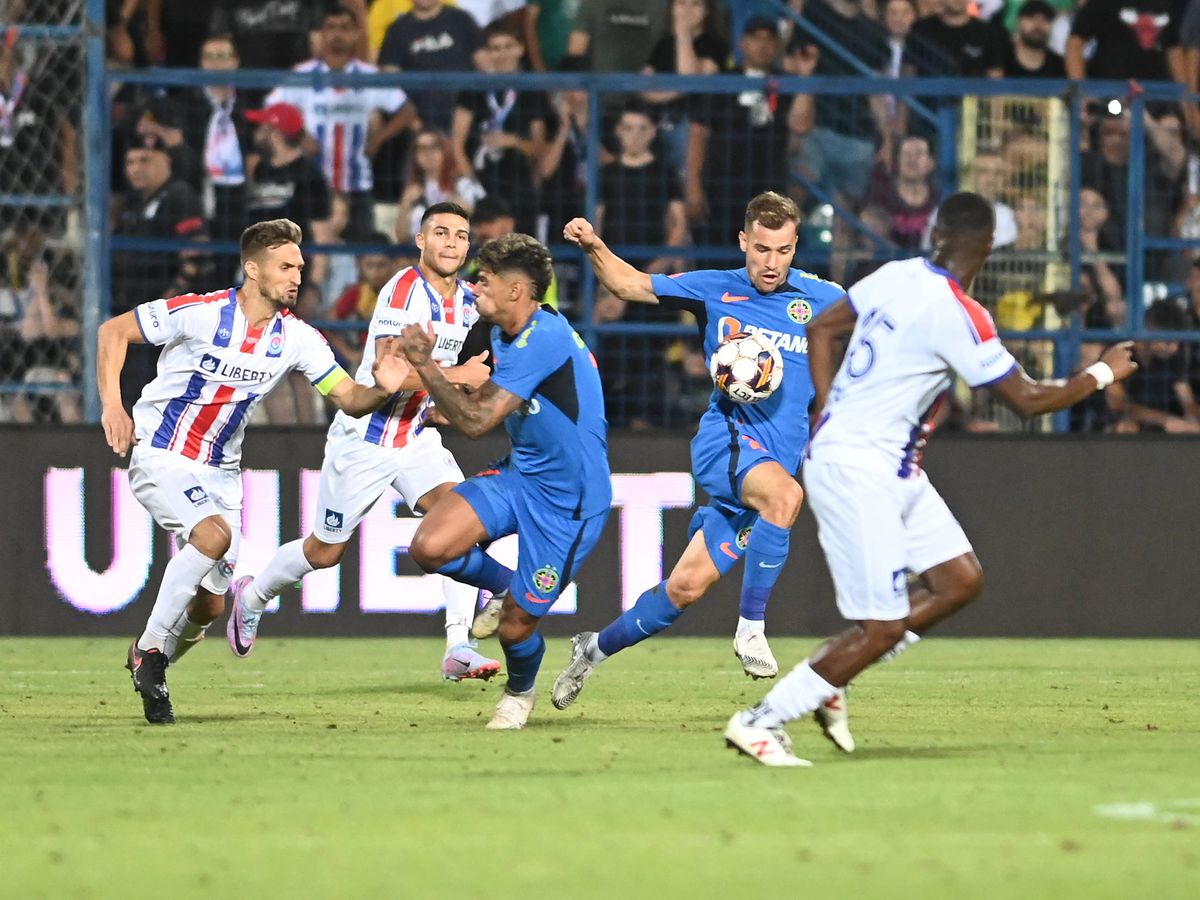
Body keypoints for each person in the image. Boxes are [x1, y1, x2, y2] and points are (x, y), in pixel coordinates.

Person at [723, 192, 1138, 765]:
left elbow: (822, 328)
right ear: (989, 246)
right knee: (882, 627)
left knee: (958, 581)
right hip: (859, 467)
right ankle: (760, 721)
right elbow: (1028, 401)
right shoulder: (960, 314)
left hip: (892, 466)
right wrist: (1102, 372)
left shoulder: (898, 274)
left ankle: (836, 671)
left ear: (937, 233)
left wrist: (826, 405)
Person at [97, 218, 410, 724]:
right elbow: (113, 331)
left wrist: (383, 389)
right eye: (285, 267)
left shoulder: (298, 338)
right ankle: (149, 650)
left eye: (300, 268)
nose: (297, 277)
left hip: (222, 474)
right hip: (162, 450)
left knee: (209, 608)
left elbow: (350, 399)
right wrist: (113, 406)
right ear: (253, 269)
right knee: (213, 537)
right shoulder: (201, 313)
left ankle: (153, 667)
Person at [552, 192, 846, 714]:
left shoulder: (822, 299)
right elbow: (628, 284)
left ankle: (591, 651)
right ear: (743, 241)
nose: (771, 262)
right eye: (761, 249)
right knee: (786, 498)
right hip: (727, 443)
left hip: (772, 465)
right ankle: (751, 628)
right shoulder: (714, 289)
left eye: (782, 250)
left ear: (796, 246)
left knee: (684, 589)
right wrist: (594, 245)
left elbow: (880, 328)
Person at [226, 204, 501, 680]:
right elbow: (388, 374)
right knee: (324, 552)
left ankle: (459, 646)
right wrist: (459, 376)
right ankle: (252, 596)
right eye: (441, 232)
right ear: (420, 240)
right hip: (365, 438)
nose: (452, 242)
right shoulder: (403, 290)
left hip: (414, 435)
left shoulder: (468, 299)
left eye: (460, 235)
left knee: (459, 523)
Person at [395, 233, 612, 729]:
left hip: (570, 503)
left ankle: (519, 694)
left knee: (515, 628)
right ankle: (505, 587)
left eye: (485, 279)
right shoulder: (501, 333)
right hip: (520, 475)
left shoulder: (546, 338)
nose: (475, 287)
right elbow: (488, 401)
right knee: (430, 547)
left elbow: (477, 422)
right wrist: (444, 407)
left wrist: (425, 364)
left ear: (516, 290)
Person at [266, 5, 416, 236]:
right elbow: (271, 110)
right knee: (307, 250)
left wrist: (378, 138)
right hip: (312, 184)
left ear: (356, 33)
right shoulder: (303, 74)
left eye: (345, 28)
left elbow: (407, 111)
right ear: (322, 33)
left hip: (357, 186)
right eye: (331, 27)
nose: (337, 33)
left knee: (363, 251)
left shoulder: (368, 76)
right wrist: (299, 135)